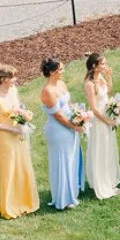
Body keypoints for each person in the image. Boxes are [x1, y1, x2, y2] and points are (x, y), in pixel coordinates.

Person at [0, 64, 39, 220]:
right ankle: (9, 206)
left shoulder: (14, 91)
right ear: (3, 79)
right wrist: (12, 130)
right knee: (9, 169)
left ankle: (25, 201)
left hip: (19, 135)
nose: (15, 80)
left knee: (22, 166)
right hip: (6, 138)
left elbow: (17, 109)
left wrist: (23, 120)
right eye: (12, 77)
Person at [40, 57, 84, 211]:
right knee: (62, 162)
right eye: (60, 69)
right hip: (58, 130)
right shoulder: (47, 91)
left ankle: (71, 192)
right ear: (52, 72)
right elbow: (58, 115)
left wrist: (79, 116)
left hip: (70, 125)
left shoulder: (61, 84)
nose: (63, 71)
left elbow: (69, 104)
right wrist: (73, 126)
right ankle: (63, 198)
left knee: (71, 159)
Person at [83, 52, 120, 201]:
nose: (105, 66)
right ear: (94, 66)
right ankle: (100, 183)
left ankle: (109, 179)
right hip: (99, 121)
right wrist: (107, 121)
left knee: (108, 149)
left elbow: (108, 91)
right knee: (100, 150)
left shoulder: (100, 78)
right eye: (103, 64)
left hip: (107, 117)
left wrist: (109, 76)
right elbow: (93, 108)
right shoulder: (89, 84)